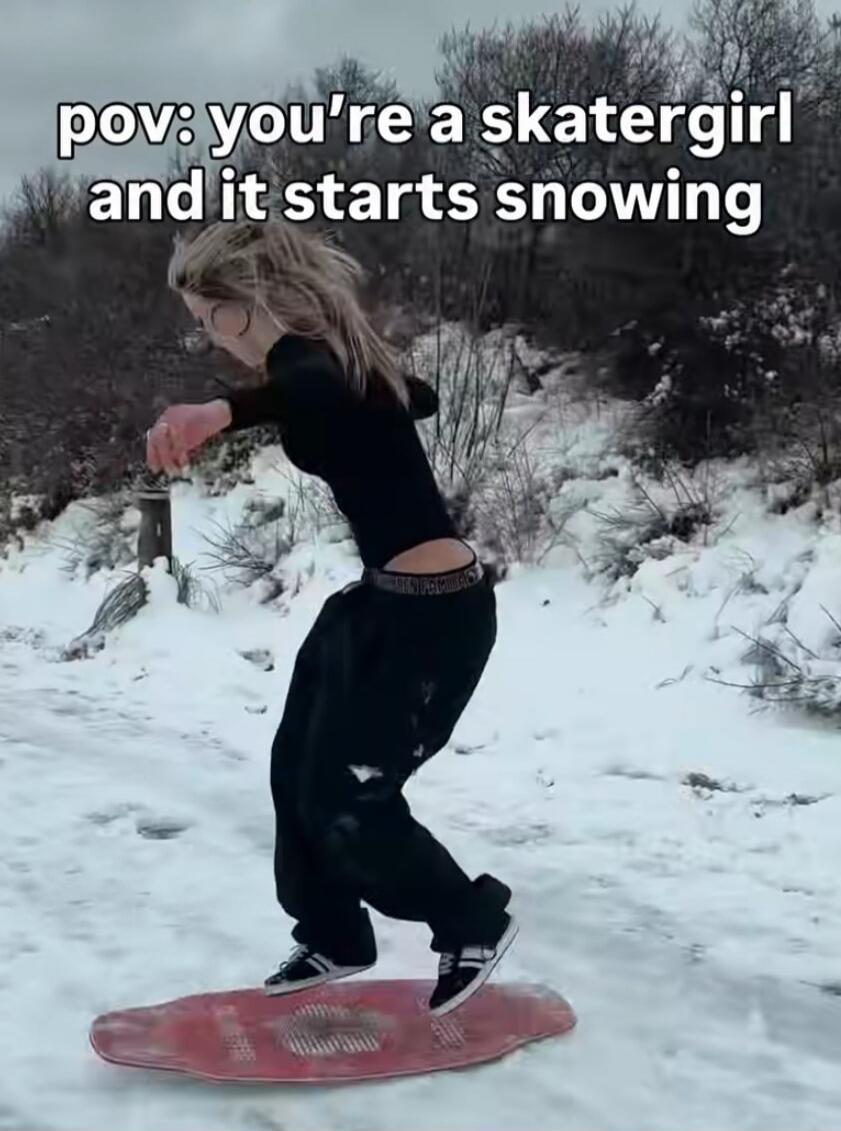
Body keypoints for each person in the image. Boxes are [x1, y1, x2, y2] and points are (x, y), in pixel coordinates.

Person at [146, 218, 516, 1016]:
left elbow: (309, 388)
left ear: (242, 305)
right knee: (297, 771)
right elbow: (417, 396)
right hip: (376, 606)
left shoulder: (309, 365)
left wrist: (220, 410)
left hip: (433, 623)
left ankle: (470, 921)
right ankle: (334, 931)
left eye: (209, 319)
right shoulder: (337, 361)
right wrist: (375, 385)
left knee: (351, 798)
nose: (211, 337)